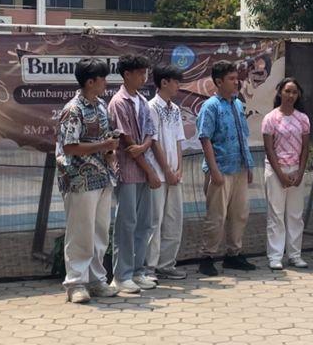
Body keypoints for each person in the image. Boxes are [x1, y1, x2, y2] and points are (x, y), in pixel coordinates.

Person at [55, 58, 120, 304]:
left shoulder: (101, 106)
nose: (105, 83)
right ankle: (76, 283)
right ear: (90, 82)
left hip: (102, 176)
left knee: (100, 231)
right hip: (79, 179)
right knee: (80, 231)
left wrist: (110, 151)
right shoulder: (73, 110)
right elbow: (69, 147)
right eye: (102, 79)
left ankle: (96, 280)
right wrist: (103, 146)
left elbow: (106, 137)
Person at [108, 55, 161, 296]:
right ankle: (122, 275)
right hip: (128, 171)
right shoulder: (118, 102)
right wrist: (149, 169)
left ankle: (139, 271)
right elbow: (127, 141)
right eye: (139, 73)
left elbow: (150, 131)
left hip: (143, 168)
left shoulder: (142, 101)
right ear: (126, 74)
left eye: (145, 72)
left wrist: (144, 145)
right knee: (126, 223)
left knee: (144, 223)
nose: (144, 77)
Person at [197, 61, 255, 277]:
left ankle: (233, 255)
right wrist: (214, 171)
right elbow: (205, 138)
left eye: (236, 78)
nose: (236, 82)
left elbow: (243, 137)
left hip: (239, 167)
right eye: (231, 79)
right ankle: (207, 257)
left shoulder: (238, 104)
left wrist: (249, 165)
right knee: (216, 216)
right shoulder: (210, 106)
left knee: (239, 214)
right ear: (219, 82)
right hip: (220, 169)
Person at [261, 78, 311, 270]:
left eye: (294, 92)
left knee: (295, 215)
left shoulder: (303, 119)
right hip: (276, 172)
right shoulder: (270, 118)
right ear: (280, 92)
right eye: (287, 91)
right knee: (276, 215)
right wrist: (280, 175)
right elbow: (269, 149)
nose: (290, 95)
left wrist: (300, 173)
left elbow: (305, 148)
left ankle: (295, 255)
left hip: (296, 171)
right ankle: (275, 256)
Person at [146, 64, 188, 280]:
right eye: (175, 82)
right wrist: (166, 170)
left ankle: (167, 264)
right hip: (158, 174)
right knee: (154, 221)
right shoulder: (151, 107)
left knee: (174, 219)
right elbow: (153, 142)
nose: (178, 86)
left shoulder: (176, 109)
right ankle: (149, 267)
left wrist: (179, 168)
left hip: (174, 176)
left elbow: (179, 140)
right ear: (164, 82)